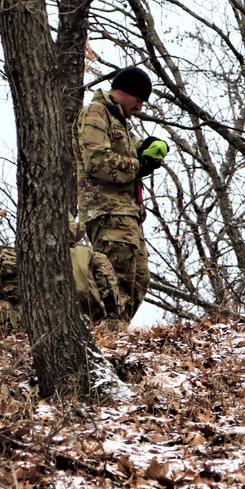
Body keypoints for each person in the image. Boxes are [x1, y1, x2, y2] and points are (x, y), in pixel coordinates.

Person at [74, 66, 168, 326]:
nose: (139, 108)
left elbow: (132, 150)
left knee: (138, 280)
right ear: (125, 92)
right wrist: (140, 166)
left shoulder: (120, 122)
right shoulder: (96, 113)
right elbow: (98, 161)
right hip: (108, 212)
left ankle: (114, 335)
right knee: (116, 280)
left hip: (128, 214)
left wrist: (149, 147)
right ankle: (107, 338)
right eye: (138, 100)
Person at [0, 226, 122, 334]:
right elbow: (109, 289)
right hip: (81, 323)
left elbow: (4, 291)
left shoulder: (22, 255)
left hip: (28, 325)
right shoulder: (90, 255)